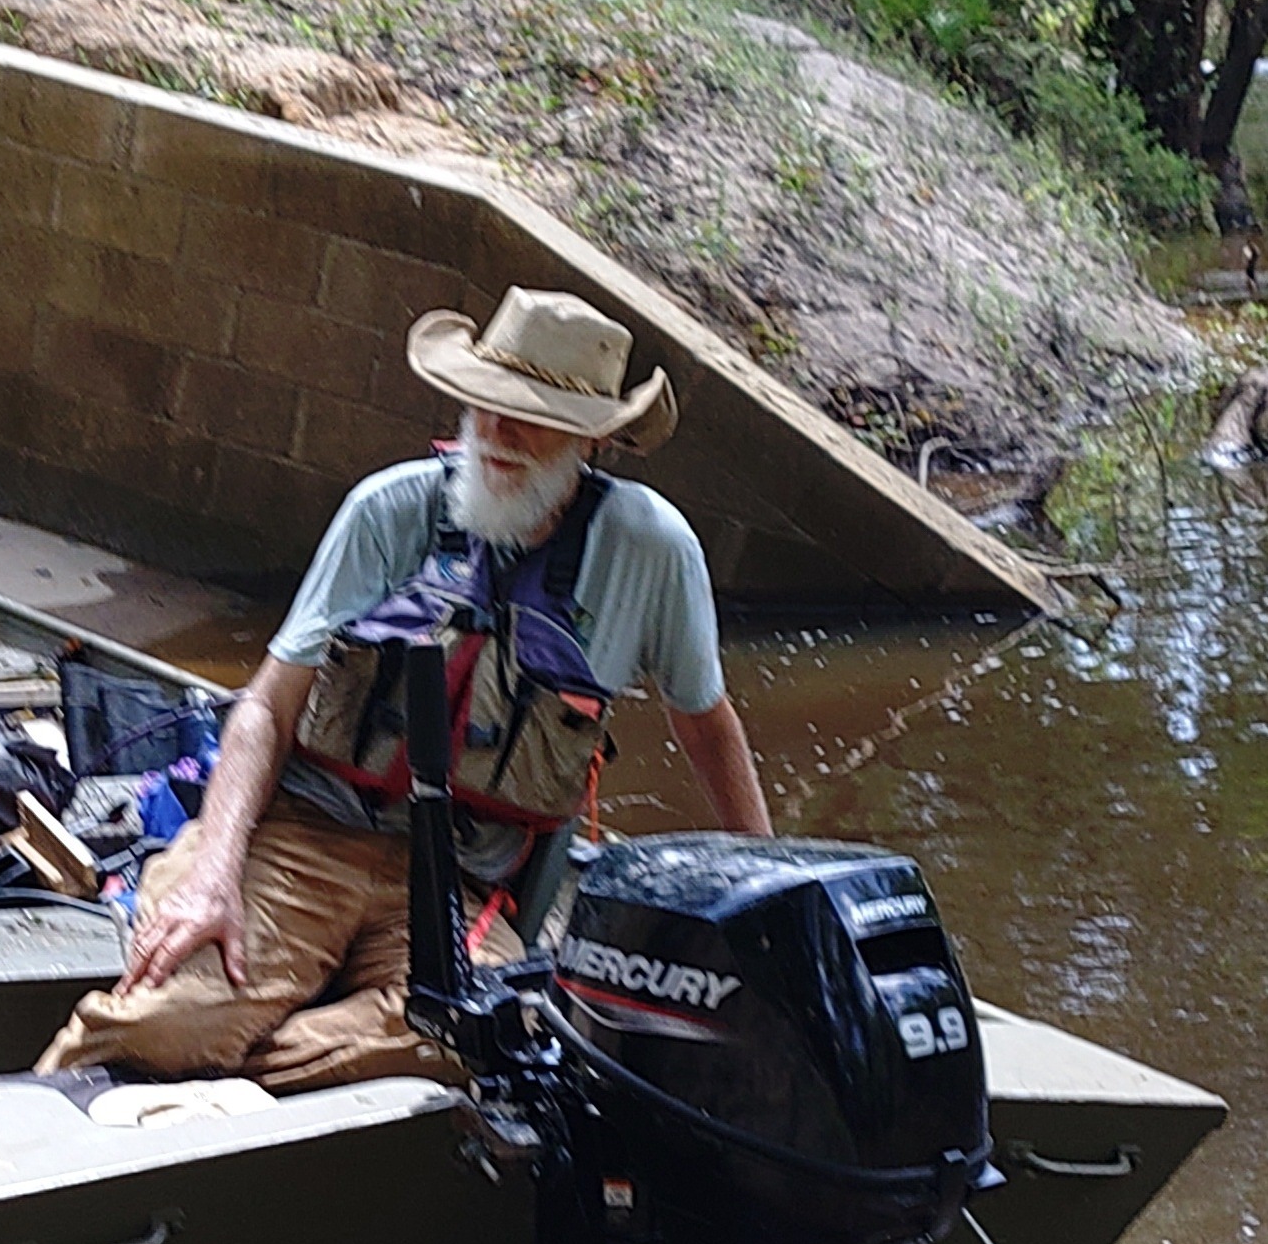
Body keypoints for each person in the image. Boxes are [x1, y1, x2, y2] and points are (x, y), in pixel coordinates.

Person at [41, 286, 769, 1095]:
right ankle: (35, 1135)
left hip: (456, 884)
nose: (495, 430)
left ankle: (233, 1080)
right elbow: (265, 706)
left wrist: (772, 900)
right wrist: (214, 871)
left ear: (592, 441)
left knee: (487, 1038)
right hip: (300, 839)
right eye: (484, 404)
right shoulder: (391, 509)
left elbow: (705, 726)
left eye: (529, 413)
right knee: (163, 1026)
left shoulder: (652, 551)